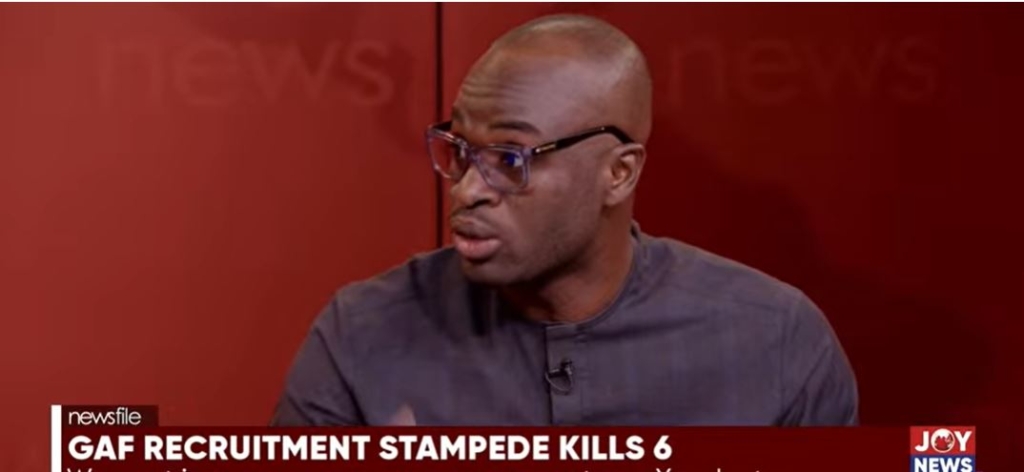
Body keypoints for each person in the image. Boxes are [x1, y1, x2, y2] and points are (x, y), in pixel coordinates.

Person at [271, 14, 858, 426]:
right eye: (461, 151)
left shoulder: (777, 343)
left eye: (510, 160)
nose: (468, 190)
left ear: (619, 174)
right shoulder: (362, 335)